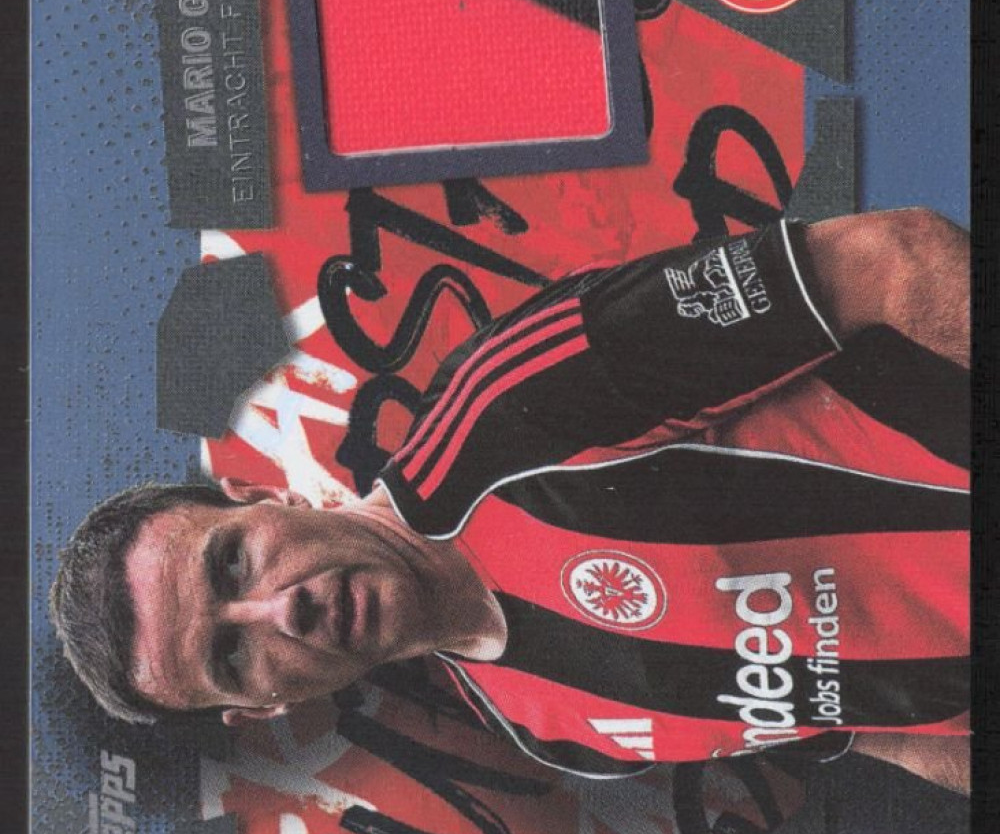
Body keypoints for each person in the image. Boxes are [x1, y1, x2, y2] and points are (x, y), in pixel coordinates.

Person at [51, 209, 970, 787]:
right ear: (261, 706)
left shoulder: (508, 405)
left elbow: (896, 261)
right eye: (231, 651)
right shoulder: (551, 732)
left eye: (232, 564)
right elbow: (882, 729)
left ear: (260, 495)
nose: (280, 608)